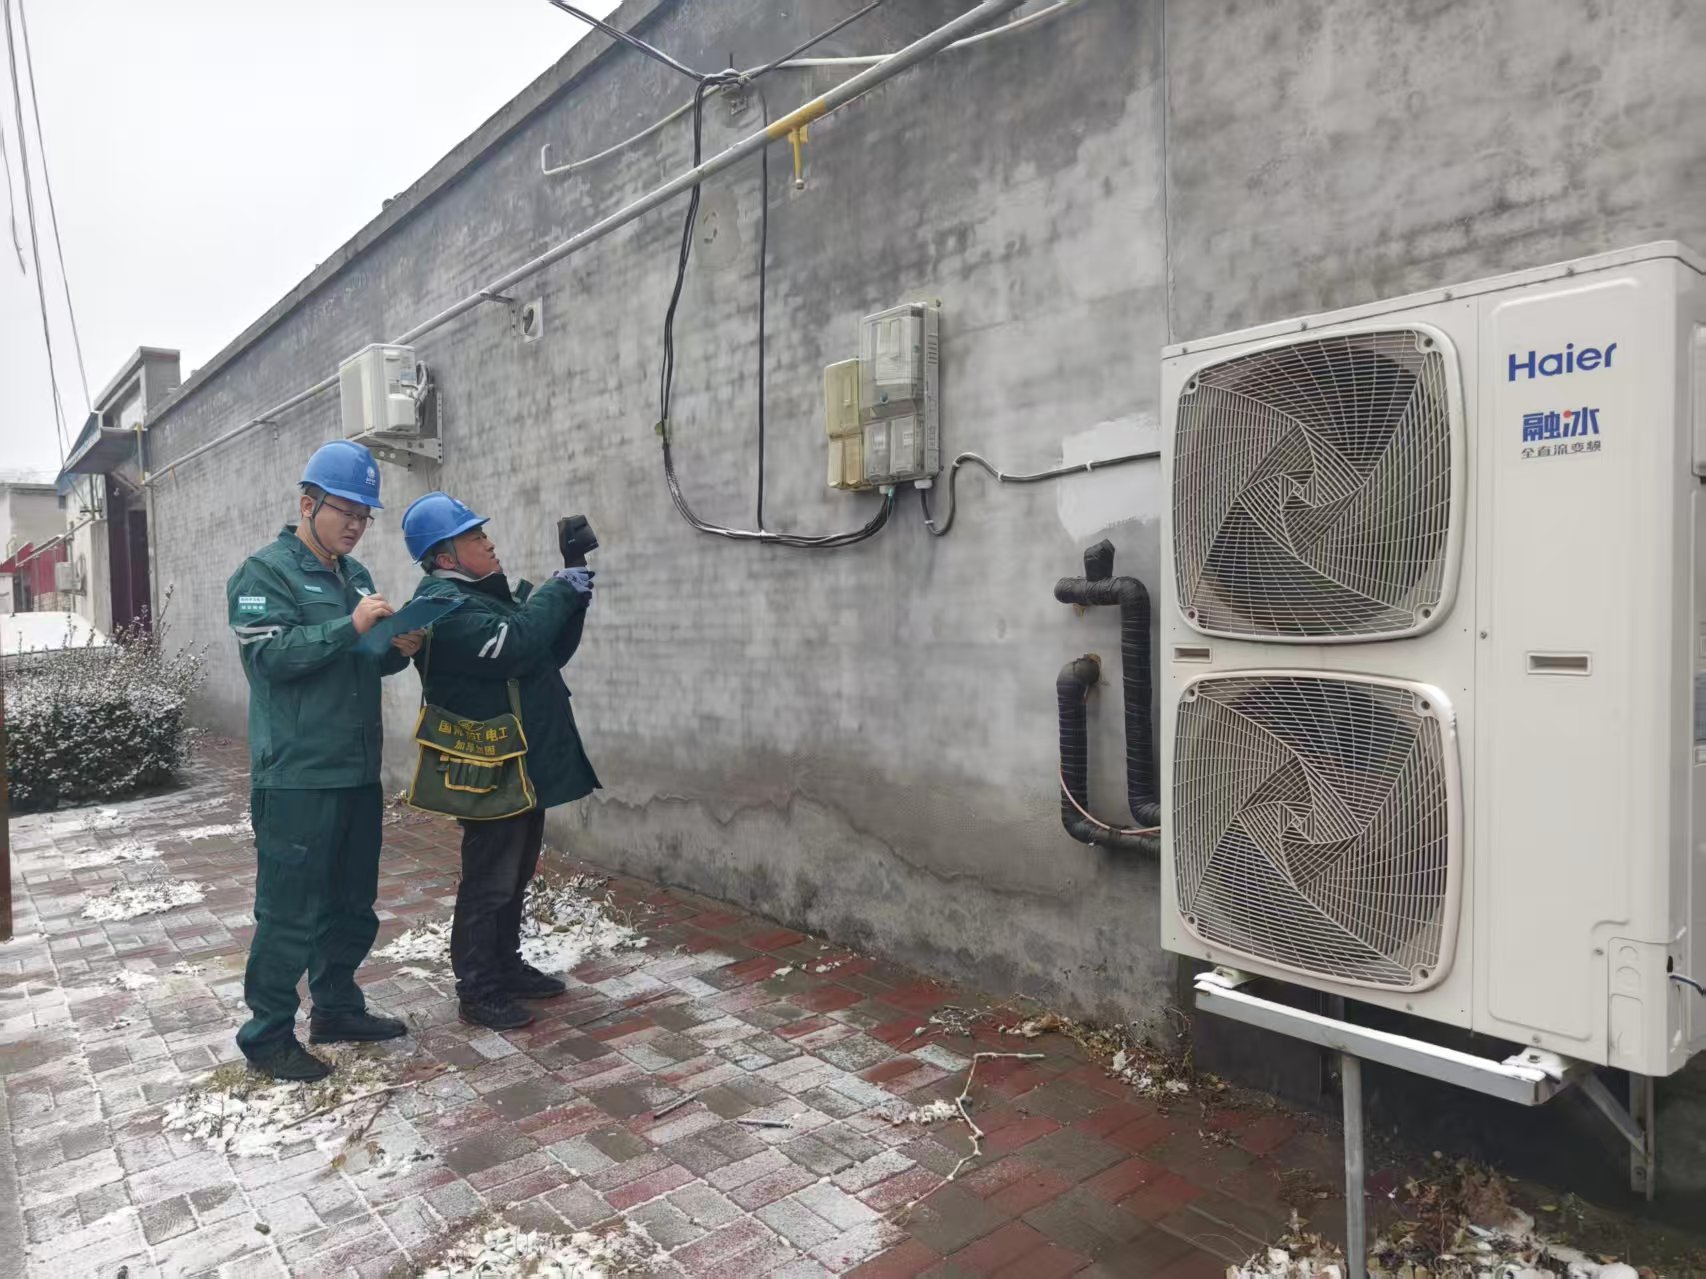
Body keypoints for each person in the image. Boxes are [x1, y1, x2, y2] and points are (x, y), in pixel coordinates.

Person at [225, 440, 424, 1080]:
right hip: (297, 776)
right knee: (289, 911)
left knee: (351, 903)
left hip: (355, 770)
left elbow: (362, 659)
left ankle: (336, 1007)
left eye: (365, 515)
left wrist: (397, 646)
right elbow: (270, 658)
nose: (356, 525)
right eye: (347, 511)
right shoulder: (263, 574)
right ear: (308, 504)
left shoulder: (353, 575)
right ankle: (267, 1036)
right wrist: (351, 626)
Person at [400, 491, 600, 1030]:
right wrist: (559, 590)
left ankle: (506, 966)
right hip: (486, 764)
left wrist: (574, 587)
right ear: (445, 557)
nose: (489, 543)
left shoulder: (485, 597)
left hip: (517, 761)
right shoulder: (444, 606)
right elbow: (515, 644)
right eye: (475, 537)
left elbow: (546, 652)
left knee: (515, 873)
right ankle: (478, 989)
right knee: (489, 880)